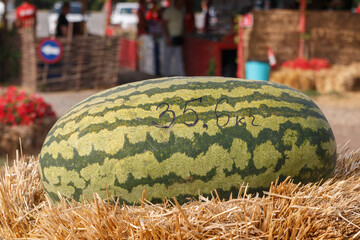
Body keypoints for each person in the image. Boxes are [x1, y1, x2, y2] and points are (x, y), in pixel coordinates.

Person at [162, 0, 185, 77]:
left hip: (178, 37)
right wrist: (167, 37)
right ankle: (166, 77)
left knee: (179, 59)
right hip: (170, 37)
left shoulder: (181, 11)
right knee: (167, 59)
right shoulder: (169, 11)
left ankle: (181, 77)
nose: (183, 3)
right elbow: (164, 25)